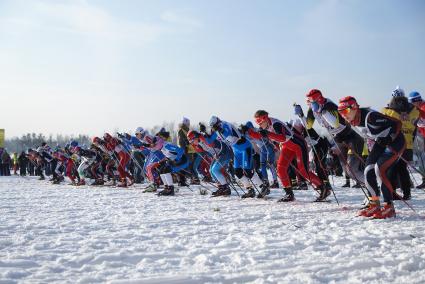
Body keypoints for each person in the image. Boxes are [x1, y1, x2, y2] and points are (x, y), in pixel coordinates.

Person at [338, 96, 405, 219]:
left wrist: (389, 138)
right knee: (368, 170)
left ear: (354, 108)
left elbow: (397, 124)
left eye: (345, 111)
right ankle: (374, 204)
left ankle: (389, 207)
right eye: (340, 112)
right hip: (380, 143)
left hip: (396, 141)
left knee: (379, 170)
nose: (343, 115)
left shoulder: (371, 117)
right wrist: (342, 137)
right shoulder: (353, 120)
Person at [247, 110, 328, 202]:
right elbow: (260, 136)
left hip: (297, 145)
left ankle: (323, 188)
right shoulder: (266, 125)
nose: (259, 125)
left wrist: (268, 134)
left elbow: (283, 137)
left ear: (265, 119)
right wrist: (248, 131)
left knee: (303, 171)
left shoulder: (275, 124)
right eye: (257, 123)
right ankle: (289, 194)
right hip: (287, 146)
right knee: (280, 168)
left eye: (260, 122)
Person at [382, 89, 418, 200]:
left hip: (395, 144)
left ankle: (393, 193)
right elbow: (415, 127)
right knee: (403, 169)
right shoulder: (414, 111)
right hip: (408, 145)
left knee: (391, 168)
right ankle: (407, 193)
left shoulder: (388, 111)